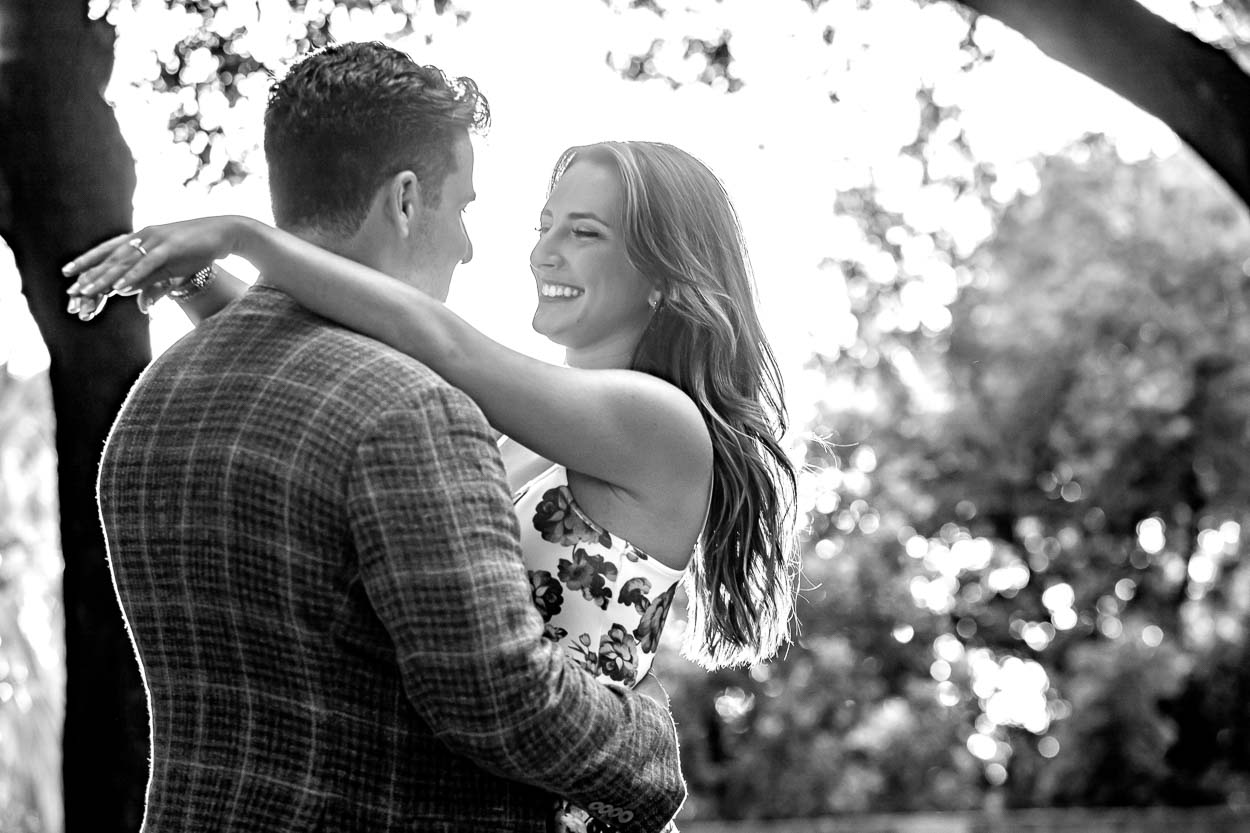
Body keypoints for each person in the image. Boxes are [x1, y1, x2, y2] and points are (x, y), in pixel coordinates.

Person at [65, 41, 688, 833]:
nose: (486, 246)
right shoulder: (416, 412)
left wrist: (242, 247)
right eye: (467, 209)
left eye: (587, 232)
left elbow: (375, 366)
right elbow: (503, 703)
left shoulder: (157, 399)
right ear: (404, 200)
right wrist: (655, 744)